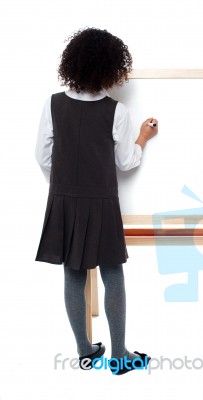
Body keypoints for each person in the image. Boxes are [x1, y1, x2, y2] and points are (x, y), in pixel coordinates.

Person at [34, 27, 158, 375]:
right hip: (102, 202)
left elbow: (42, 156)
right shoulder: (116, 112)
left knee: (73, 275)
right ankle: (120, 355)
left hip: (63, 200)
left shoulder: (53, 103)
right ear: (110, 68)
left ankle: (85, 351)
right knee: (112, 273)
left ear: (72, 63)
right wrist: (143, 138)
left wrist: (62, 186)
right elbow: (126, 163)